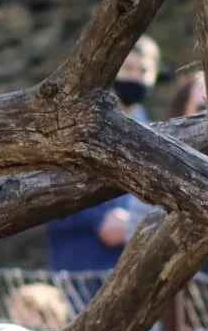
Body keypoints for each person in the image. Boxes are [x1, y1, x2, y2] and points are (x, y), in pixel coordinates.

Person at [47, 35, 159, 276]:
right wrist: (99, 219)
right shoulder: (78, 124)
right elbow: (50, 189)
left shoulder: (152, 132)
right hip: (78, 267)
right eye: (127, 69)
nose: (135, 77)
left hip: (130, 270)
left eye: (143, 70)